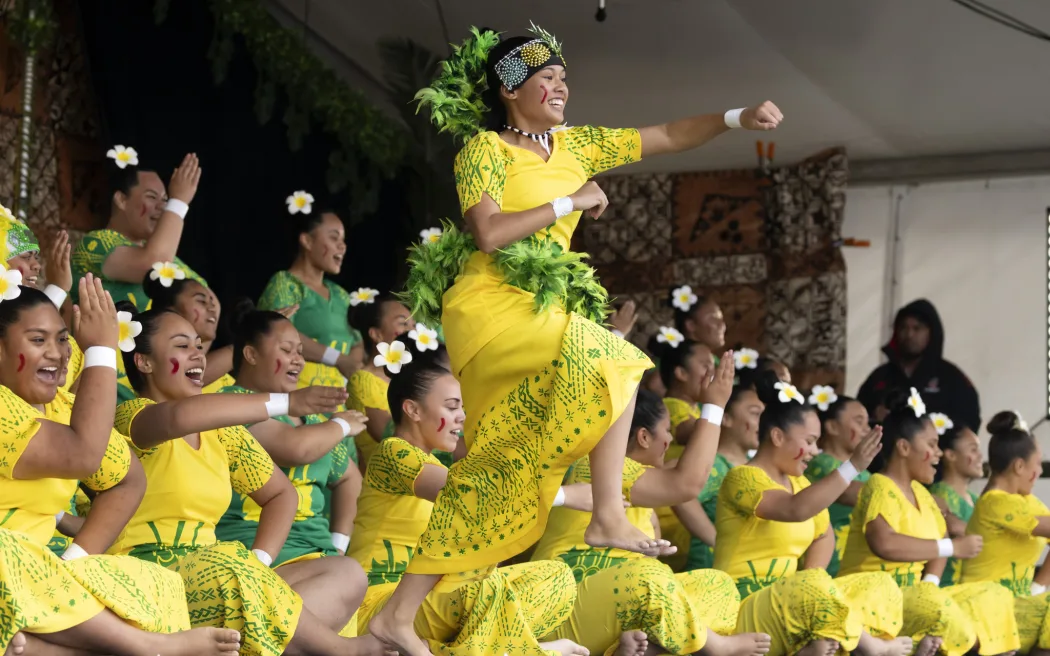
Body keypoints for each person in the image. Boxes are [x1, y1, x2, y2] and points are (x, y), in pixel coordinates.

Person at [384, 21, 783, 654]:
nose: (561, 87)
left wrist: (738, 116)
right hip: (491, 309)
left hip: (542, 314)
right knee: (615, 357)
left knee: (496, 474)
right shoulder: (484, 149)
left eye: (564, 78)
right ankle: (607, 514)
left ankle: (397, 615)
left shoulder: (579, 145)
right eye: (546, 78)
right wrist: (569, 203)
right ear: (510, 90)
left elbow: (669, 135)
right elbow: (489, 233)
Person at [109, 306, 391, 656]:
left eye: (198, 345)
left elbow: (280, 495)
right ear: (144, 362)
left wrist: (258, 564)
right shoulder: (132, 417)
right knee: (229, 560)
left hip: (220, 577)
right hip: (151, 573)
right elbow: (178, 417)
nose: (198, 354)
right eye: (182, 346)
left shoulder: (220, 431)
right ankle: (340, 649)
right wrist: (286, 402)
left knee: (347, 573)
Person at [0, 276, 241, 656]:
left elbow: (127, 481)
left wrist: (74, 560)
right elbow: (83, 454)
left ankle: (37, 641)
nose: (57, 353)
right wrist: (100, 351)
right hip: (8, 562)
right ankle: (149, 647)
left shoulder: (65, 407)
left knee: (156, 582)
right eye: (38, 340)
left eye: (62, 339)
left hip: (44, 576)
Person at [347, 342, 589, 655]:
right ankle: (527, 650)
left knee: (555, 580)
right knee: (482, 584)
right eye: (451, 407)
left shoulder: (436, 464)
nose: (462, 417)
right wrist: (564, 495)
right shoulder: (392, 452)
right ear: (413, 410)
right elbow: (470, 496)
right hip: (378, 604)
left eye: (462, 408)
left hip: (431, 599)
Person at [535, 355, 772, 656]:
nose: (670, 439)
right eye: (667, 430)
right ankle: (714, 645)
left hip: (622, 602)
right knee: (649, 578)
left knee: (717, 585)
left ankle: (643, 649)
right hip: (567, 604)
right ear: (644, 437)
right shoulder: (593, 468)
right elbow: (686, 484)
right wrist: (714, 407)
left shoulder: (643, 498)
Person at [714, 371, 907, 656]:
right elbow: (794, 509)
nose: (815, 451)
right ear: (777, 436)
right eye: (810, 440)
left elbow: (823, 536)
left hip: (787, 601)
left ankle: (814, 642)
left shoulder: (801, 484)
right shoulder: (742, 477)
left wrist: (809, 583)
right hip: (742, 607)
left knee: (877, 584)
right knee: (813, 587)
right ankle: (871, 646)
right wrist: (852, 467)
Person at [214, 300, 371, 638]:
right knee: (350, 579)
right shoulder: (231, 403)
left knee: (347, 577)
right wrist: (341, 425)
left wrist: (338, 543)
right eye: (286, 350)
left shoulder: (312, 418)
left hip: (320, 562)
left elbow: (349, 478)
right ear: (251, 354)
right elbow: (295, 448)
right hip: (259, 557)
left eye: (300, 351)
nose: (298, 359)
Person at [839, 388, 1020, 656]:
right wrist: (952, 548)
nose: (938, 453)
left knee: (994, 595)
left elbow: (941, 536)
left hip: (912, 595)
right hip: (873, 596)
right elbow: (884, 543)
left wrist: (931, 583)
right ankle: (922, 645)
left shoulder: (923, 494)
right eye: (932, 445)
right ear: (904, 447)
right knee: (955, 621)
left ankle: (924, 642)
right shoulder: (880, 485)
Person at [962, 410, 1050, 655]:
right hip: (983, 609)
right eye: (1038, 464)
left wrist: (1038, 587)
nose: (1040, 471)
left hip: (1017, 608)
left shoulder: (1027, 503)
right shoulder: (995, 502)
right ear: (1019, 466)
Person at [71, 152, 207, 310]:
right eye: (152, 197)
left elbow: (205, 294)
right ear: (121, 199)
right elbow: (154, 266)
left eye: (165, 200)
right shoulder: (94, 244)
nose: (162, 207)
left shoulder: (162, 255)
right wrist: (178, 202)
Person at [257, 201, 364, 393]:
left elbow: (357, 342)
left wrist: (352, 368)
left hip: (341, 398)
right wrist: (337, 359)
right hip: (297, 394)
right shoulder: (286, 284)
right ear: (307, 241)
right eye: (334, 238)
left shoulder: (340, 294)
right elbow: (275, 334)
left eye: (343, 240)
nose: (342, 246)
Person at [675, 370, 763, 571]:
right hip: (710, 572)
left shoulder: (754, 465)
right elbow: (680, 495)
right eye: (755, 413)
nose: (763, 421)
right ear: (726, 418)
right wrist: (715, 539)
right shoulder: (716, 465)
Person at [646, 329, 716, 569]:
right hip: (672, 512)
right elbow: (690, 432)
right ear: (681, 373)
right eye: (705, 365)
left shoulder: (698, 410)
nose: (712, 372)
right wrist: (719, 408)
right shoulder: (672, 406)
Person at [857, 300, 980, 432]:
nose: (909, 335)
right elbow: (856, 417)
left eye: (917, 328)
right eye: (903, 328)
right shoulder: (880, 376)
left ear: (931, 333)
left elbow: (970, 423)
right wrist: (874, 414)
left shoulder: (951, 378)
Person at [803, 390, 873, 576]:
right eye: (859, 421)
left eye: (867, 423)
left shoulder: (867, 474)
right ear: (833, 426)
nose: (867, 429)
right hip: (829, 563)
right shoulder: (820, 464)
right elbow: (852, 493)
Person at [346, 292, 415, 470]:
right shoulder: (362, 380)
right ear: (376, 334)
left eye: (414, 325)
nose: (413, 332)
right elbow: (391, 437)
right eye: (403, 323)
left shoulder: (413, 377)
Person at [140, 265, 235, 394]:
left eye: (212, 303)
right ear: (171, 308)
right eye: (201, 301)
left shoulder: (225, 382)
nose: (212, 308)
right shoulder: (149, 349)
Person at [927, 414, 981, 586]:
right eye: (973, 450)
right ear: (950, 455)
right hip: (948, 588)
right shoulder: (940, 495)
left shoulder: (975, 498)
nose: (980, 456)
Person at [671, 285, 726, 356]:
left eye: (721, 318)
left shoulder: (714, 360)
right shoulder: (675, 361)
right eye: (712, 318)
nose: (722, 325)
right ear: (691, 325)